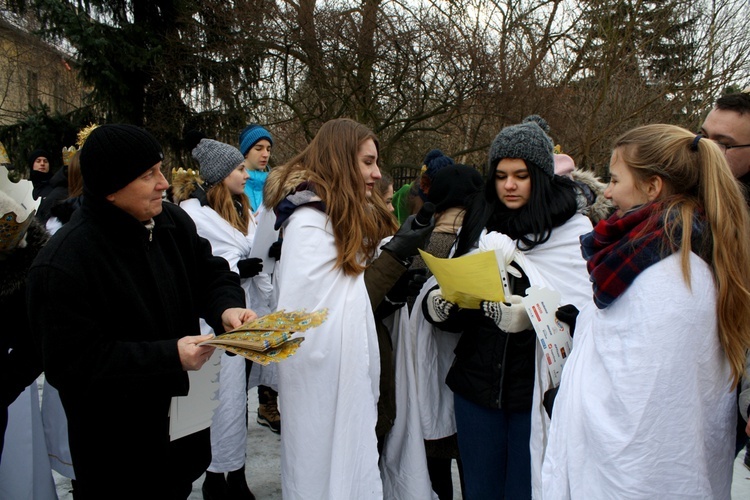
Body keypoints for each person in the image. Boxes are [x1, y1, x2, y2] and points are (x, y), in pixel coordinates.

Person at [26, 124, 258, 500]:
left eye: (160, 169)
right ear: (111, 189)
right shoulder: (64, 263)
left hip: (177, 445)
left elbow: (211, 272)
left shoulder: (171, 223)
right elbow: (72, 364)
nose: (164, 183)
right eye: (147, 175)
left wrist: (227, 308)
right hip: (116, 459)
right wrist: (169, 356)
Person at [541, 124, 750, 499]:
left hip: (635, 481)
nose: (607, 191)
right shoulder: (661, 258)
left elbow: (644, 411)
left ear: (652, 187)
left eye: (616, 179)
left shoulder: (665, 277)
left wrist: (573, 400)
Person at [422, 115, 593, 499]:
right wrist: (439, 306)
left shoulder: (573, 233)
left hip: (534, 393)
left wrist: (533, 318)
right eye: (500, 175)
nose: (509, 185)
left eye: (521, 174)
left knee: (526, 489)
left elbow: (589, 316)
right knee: (479, 490)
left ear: (542, 175)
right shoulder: (479, 220)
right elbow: (457, 287)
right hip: (476, 387)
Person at [264, 117, 433, 499]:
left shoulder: (343, 215)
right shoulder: (309, 223)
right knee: (322, 472)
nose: (376, 173)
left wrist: (392, 283)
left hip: (353, 369)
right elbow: (310, 321)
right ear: (341, 160)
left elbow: (352, 291)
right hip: (321, 383)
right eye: (368, 162)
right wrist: (393, 258)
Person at [172, 137, 267, 500]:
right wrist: (234, 267)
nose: (246, 174)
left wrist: (267, 254)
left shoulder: (244, 211)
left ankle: (235, 470)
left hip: (244, 317)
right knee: (220, 401)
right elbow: (199, 268)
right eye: (239, 169)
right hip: (214, 323)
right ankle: (217, 475)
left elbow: (250, 247)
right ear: (219, 175)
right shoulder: (196, 218)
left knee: (236, 400)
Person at [699, 89, 750, 464]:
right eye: (702, 136)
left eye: (723, 144)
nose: (704, 149)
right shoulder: (681, 193)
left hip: (733, 390)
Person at [237, 123, 281, 434]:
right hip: (245, 274)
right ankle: (237, 403)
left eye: (268, 149)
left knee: (272, 335)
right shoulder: (237, 185)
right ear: (245, 152)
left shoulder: (275, 185)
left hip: (272, 269)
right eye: (258, 149)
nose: (265, 154)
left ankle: (268, 403)